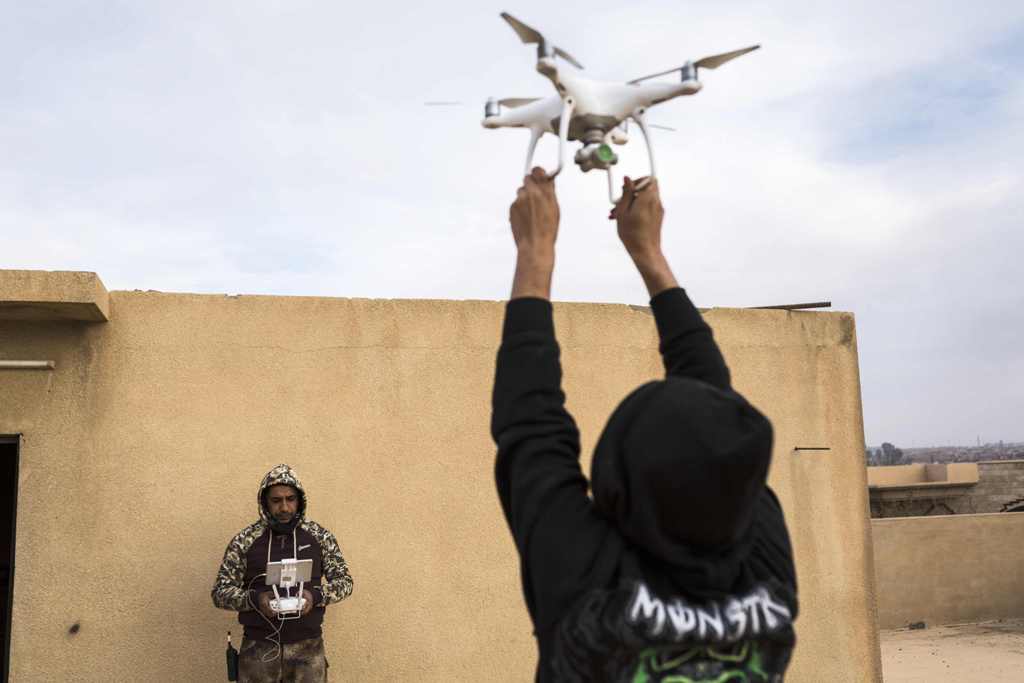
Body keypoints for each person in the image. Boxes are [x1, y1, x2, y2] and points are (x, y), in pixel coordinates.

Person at [491, 168, 799, 681]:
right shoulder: (765, 571)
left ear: (617, 482)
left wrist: (535, 251)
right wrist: (649, 254)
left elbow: (531, 424)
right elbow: (716, 417)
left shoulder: (589, 586)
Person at [212, 464, 353, 682]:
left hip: (308, 649)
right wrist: (255, 599)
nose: (285, 507)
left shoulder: (319, 537)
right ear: (265, 503)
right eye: (276, 501)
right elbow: (220, 593)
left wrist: (315, 596)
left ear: (300, 500)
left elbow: (345, 582)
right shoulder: (245, 541)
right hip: (258, 650)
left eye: (290, 499)